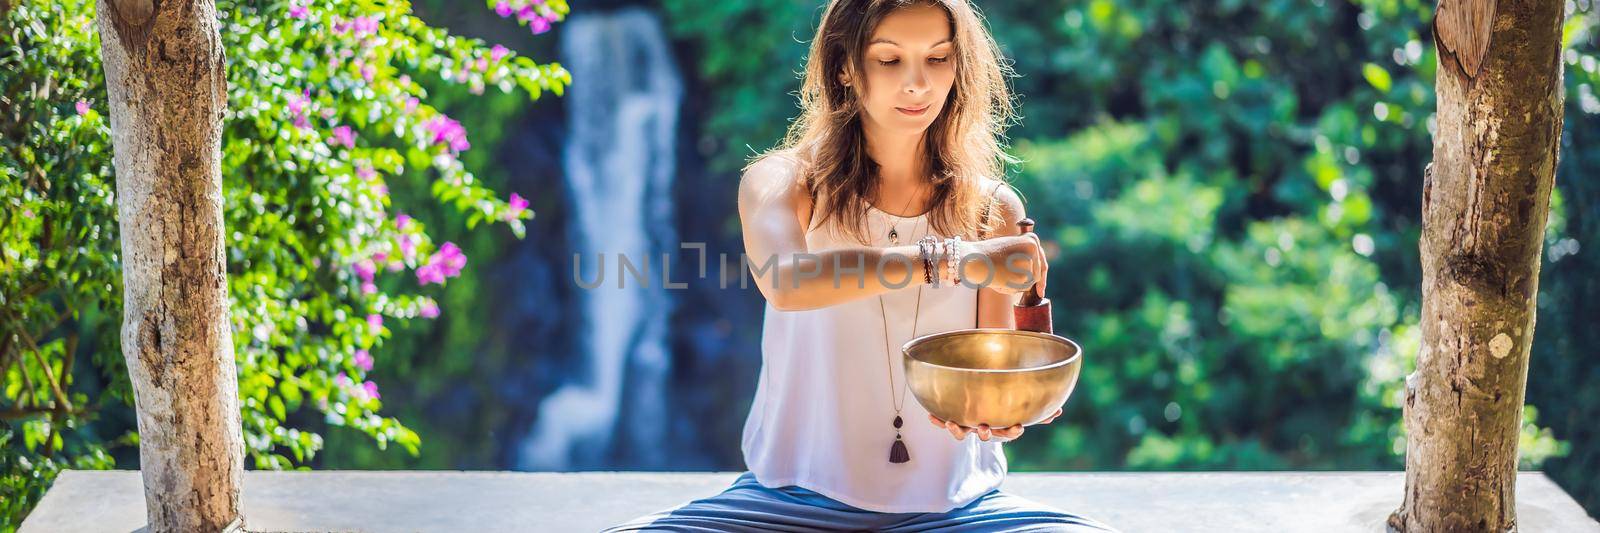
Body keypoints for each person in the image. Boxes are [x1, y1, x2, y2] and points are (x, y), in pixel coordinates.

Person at [607, 0, 1116, 530]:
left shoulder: (993, 209)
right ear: (846, 67)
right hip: (786, 501)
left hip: (957, 507)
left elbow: (988, 371)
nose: (917, 83)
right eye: (889, 60)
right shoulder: (782, 183)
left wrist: (1003, 409)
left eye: (938, 59)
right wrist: (952, 259)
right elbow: (787, 281)